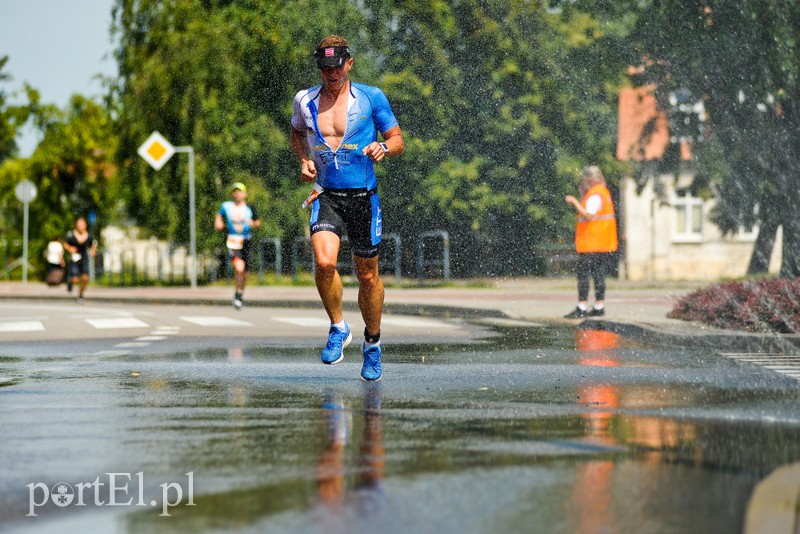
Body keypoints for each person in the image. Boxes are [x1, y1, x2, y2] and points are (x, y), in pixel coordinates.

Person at [290, 35, 405, 381]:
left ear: (349, 64)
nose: (332, 74)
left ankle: (372, 343)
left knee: (367, 275)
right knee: (324, 262)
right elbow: (297, 134)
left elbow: (398, 139)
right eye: (325, 68)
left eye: (337, 66)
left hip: (363, 198)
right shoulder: (305, 100)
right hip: (326, 194)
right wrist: (303, 159)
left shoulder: (370, 97)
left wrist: (384, 147)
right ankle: (338, 327)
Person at [564, 166, 618, 319]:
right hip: (603, 242)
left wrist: (574, 201)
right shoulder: (603, 193)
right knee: (599, 274)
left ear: (589, 179)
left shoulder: (595, 195)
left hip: (592, 243)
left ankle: (582, 306)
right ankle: (599, 306)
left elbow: (588, 216)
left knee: (583, 274)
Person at [214, 182, 261, 310]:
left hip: (246, 241)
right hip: (233, 241)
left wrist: (253, 223)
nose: (237, 194)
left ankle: (239, 293)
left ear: (245, 194)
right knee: (239, 268)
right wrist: (218, 222)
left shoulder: (250, 208)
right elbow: (219, 215)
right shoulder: (227, 206)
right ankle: (238, 295)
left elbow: (258, 222)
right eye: (235, 191)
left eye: (239, 191)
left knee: (245, 271)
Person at [63, 217, 97, 303]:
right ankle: (70, 282)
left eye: (82, 225)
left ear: (85, 225)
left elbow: (93, 244)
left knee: (85, 278)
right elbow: (65, 244)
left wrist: (93, 251)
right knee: (75, 279)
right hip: (74, 258)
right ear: (76, 226)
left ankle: (81, 295)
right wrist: (70, 248)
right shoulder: (71, 235)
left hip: (84, 258)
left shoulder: (89, 236)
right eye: (79, 225)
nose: (80, 227)